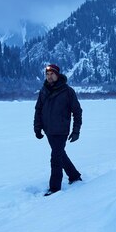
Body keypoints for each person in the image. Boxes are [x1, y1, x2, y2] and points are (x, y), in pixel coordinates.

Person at [34, 64, 83, 196]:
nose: (49, 77)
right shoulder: (44, 90)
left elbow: (77, 112)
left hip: (61, 130)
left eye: (52, 74)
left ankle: (55, 188)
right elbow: (38, 110)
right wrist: (37, 128)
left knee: (55, 157)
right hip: (49, 130)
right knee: (60, 154)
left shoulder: (68, 91)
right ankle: (74, 175)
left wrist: (76, 131)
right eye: (47, 74)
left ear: (57, 75)